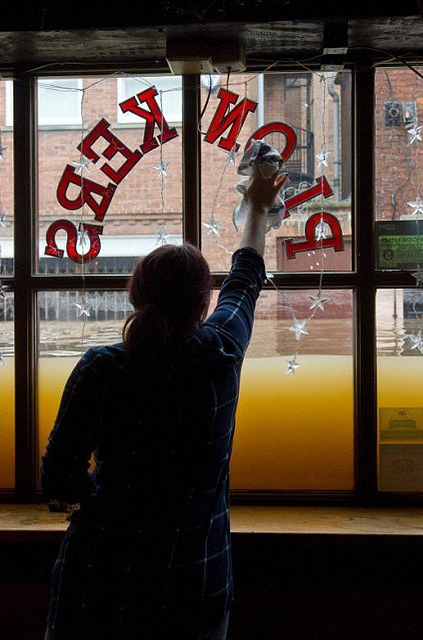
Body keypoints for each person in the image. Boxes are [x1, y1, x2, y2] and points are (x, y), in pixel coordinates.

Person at [41, 161, 287, 640]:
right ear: (201, 306)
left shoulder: (102, 368)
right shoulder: (221, 353)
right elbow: (244, 281)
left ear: (135, 297)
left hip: (99, 580)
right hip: (192, 582)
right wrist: (256, 210)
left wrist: (105, 502)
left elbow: (58, 478)